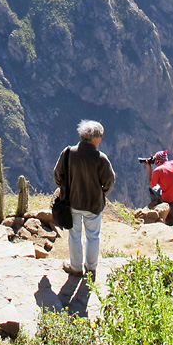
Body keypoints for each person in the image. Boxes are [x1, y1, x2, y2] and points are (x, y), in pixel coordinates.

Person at [54, 120, 116, 280]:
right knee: (93, 236)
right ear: (97, 139)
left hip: (72, 202)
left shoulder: (68, 153)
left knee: (74, 235)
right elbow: (109, 181)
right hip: (93, 204)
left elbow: (57, 175)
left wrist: (66, 187)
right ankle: (91, 268)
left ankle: (75, 267)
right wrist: (101, 194)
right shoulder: (100, 158)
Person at [146, 150, 173, 226]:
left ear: (157, 161)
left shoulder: (158, 170)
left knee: (152, 189)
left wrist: (149, 169)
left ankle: (156, 205)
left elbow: (151, 185)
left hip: (168, 198)